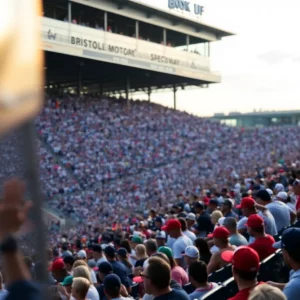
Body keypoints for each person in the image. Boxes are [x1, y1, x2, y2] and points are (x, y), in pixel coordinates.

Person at [272, 228, 300, 299]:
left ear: (288, 254)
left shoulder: (294, 286)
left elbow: (295, 287)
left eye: (282, 250)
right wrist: (277, 286)